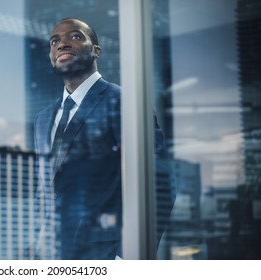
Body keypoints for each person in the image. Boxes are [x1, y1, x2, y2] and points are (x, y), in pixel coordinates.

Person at [33, 18, 173, 260]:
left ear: (96, 50)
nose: (62, 44)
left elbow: (160, 184)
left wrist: (126, 259)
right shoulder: (43, 119)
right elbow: (45, 188)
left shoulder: (124, 101)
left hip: (105, 255)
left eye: (75, 37)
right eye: (54, 41)